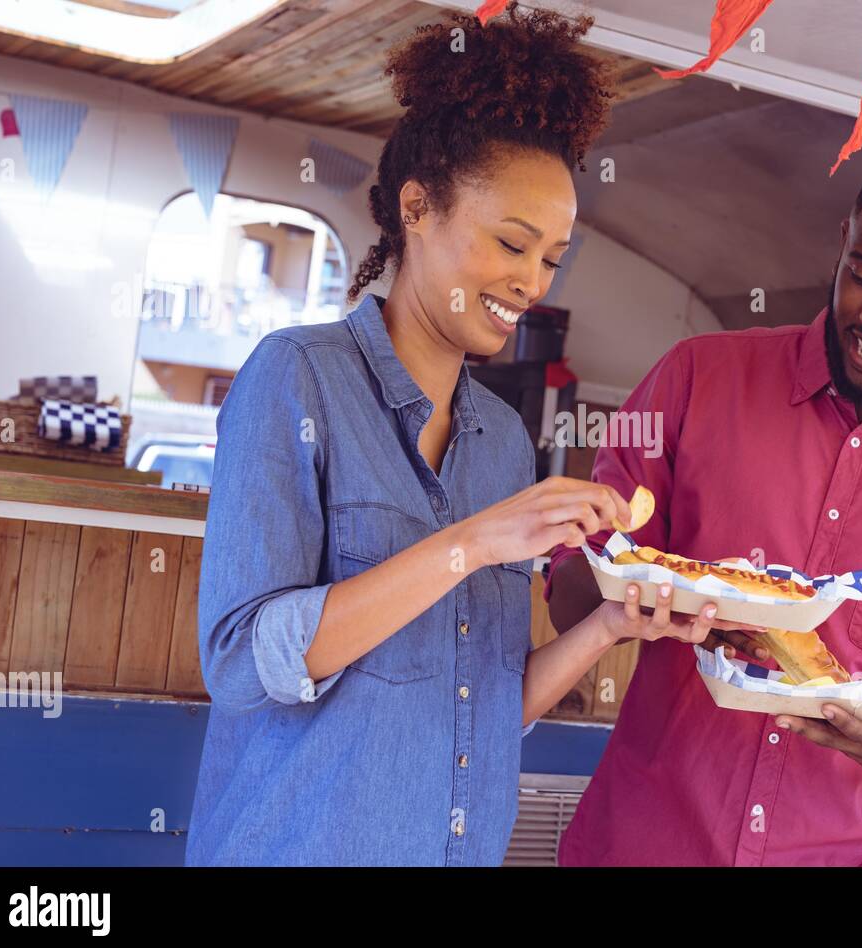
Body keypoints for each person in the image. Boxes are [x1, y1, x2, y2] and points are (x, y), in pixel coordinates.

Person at [184, 4, 742, 867]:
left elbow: (489, 703)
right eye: (511, 244)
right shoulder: (297, 378)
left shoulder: (504, 446)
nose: (529, 282)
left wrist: (608, 629)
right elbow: (244, 668)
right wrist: (471, 543)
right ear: (416, 206)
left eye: (551, 258)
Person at [545, 154, 862, 866]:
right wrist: (633, 601)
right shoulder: (698, 377)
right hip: (645, 842)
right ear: (844, 240)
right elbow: (575, 577)